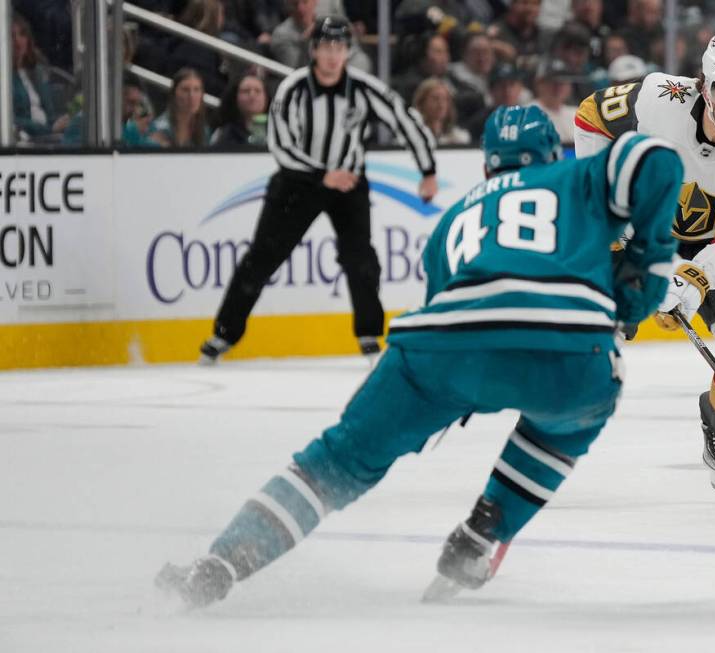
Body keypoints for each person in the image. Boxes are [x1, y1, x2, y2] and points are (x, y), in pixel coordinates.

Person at [156, 104, 683, 608]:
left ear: (485, 166)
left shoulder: (455, 217)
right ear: (555, 154)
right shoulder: (577, 178)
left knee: (337, 461)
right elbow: (655, 159)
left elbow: (453, 303)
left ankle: (218, 566)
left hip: (445, 346)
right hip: (570, 348)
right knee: (566, 423)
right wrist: (646, 277)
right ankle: (479, 538)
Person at [574, 32, 715, 505]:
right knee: (594, 331)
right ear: (705, 87)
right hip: (638, 223)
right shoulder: (658, 98)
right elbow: (590, 116)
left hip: (714, 244)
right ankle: (545, 429)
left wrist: (693, 280)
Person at [199, 16, 438, 364]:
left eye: (339, 48)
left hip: (349, 184)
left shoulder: (363, 88)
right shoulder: (293, 89)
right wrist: (322, 174)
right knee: (263, 257)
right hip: (297, 184)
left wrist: (428, 170)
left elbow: (404, 119)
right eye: (326, 48)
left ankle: (370, 335)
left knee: (361, 260)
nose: (332, 56)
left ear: (347, 52)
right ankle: (223, 335)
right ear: (313, 50)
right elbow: (280, 146)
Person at [11, 13, 68, 142]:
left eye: (22, 34)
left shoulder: (37, 70)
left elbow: (49, 112)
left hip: (49, 134)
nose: (17, 40)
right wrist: (49, 129)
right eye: (11, 36)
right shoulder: (4, 77)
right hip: (27, 140)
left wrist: (63, 122)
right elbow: (10, 120)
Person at [146, 67, 211, 148]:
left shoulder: (204, 131)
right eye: (185, 90)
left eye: (196, 90)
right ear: (174, 94)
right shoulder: (160, 128)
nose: (191, 96)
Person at [210, 73, 269, 147]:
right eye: (246, 91)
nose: (252, 95)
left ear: (266, 98)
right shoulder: (223, 134)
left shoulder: (277, 131)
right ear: (235, 97)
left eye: (257, 91)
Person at [413, 78, 472, 145]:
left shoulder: (459, 138)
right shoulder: (410, 136)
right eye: (435, 98)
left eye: (445, 99)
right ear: (422, 103)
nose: (441, 104)